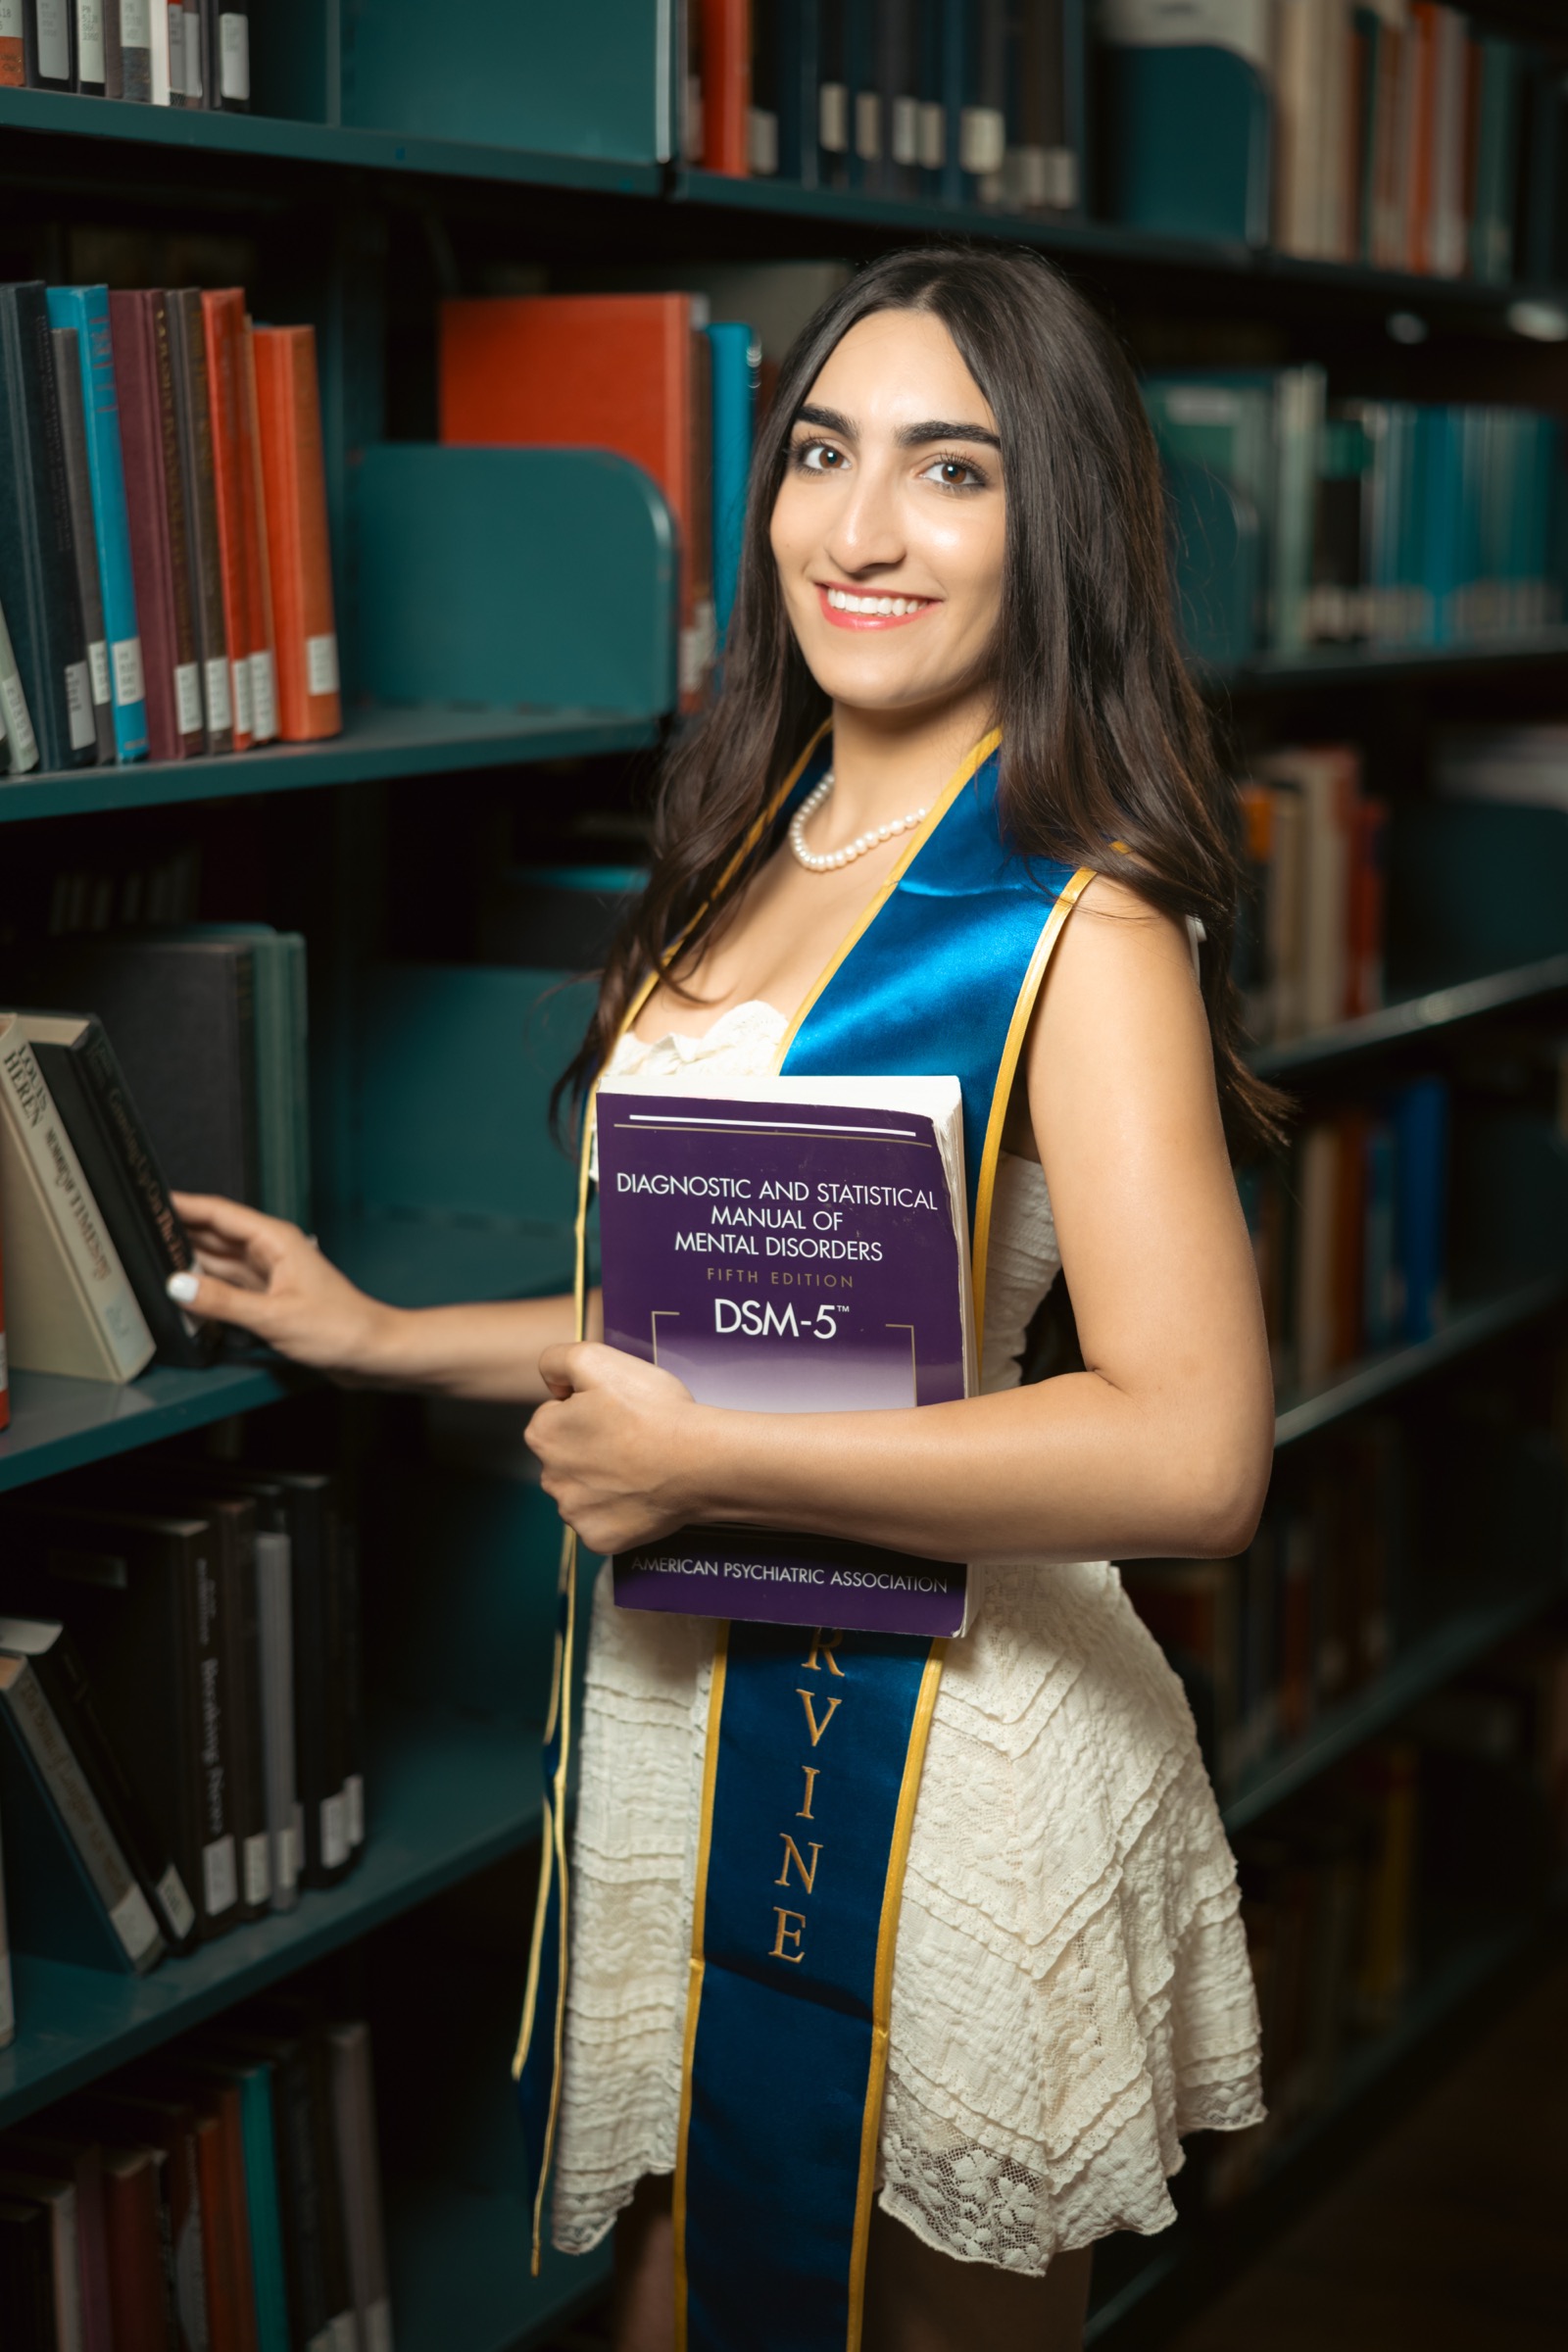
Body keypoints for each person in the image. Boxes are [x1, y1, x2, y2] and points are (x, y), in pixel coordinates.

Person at [170, 245, 1278, 2352]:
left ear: (1052, 524)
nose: (855, 530)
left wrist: (709, 1460)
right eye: (820, 456)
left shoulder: (1078, 919)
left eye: (946, 470)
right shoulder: (751, 836)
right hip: (697, 1725)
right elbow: (725, 1317)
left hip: (954, 1764)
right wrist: (386, 1336)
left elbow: (1191, 1451)